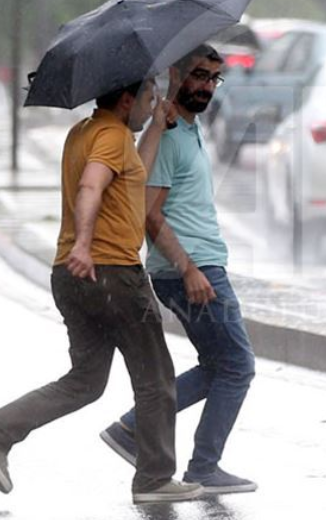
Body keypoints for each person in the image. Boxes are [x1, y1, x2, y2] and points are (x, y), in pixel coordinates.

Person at [0, 76, 205, 505]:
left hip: (71, 277)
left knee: (85, 382)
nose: (152, 104)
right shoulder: (112, 137)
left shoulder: (85, 133)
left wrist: (156, 126)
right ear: (127, 99)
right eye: (147, 99)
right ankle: (154, 478)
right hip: (112, 273)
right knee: (155, 378)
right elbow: (92, 185)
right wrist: (83, 243)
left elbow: (134, 178)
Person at [100, 40, 258, 495]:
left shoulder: (188, 129)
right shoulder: (168, 135)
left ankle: (132, 429)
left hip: (197, 265)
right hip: (191, 268)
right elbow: (150, 214)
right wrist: (189, 269)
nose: (207, 86)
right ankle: (203, 467)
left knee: (219, 364)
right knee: (237, 365)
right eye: (198, 76)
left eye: (213, 78)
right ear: (176, 74)